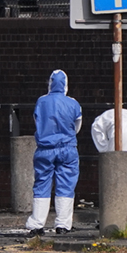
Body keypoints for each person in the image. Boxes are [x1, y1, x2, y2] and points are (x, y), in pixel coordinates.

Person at [25, 69, 83, 236]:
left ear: (50, 83)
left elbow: (37, 121)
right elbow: (77, 126)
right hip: (67, 148)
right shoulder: (73, 103)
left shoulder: (41, 101)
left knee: (42, 184)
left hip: (45, 149)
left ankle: (36, 224)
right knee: (66, 186)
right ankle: (63, 225)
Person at [91, 108, 127, 222]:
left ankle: (115, 216)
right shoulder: (123, 114)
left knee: (116, 174)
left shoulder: (97, 123)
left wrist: (109, 155)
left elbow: (105, 151)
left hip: (122, 128)